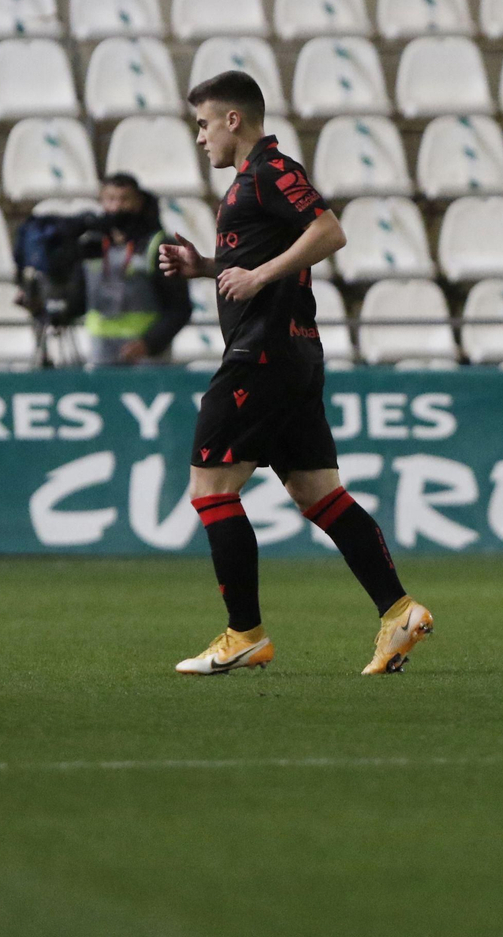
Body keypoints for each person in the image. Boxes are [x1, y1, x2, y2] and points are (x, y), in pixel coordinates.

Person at [158, 70, 433, 676]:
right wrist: (207, 266)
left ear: (234, 119)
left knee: (211, 491)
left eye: (204, 123)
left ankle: (244, 634)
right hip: (292, 355)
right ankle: (399, 612)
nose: (200, 137)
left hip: (262, 356)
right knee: (319, 495)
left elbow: (329, 231)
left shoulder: (270, 171)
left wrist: (257, 277)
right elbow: (259, 259)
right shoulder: (251, 183)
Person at [83, 173, 191, 365]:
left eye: (125, 200)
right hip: (100, 355)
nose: (116, 207)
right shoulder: (91, 243)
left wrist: (149, 343)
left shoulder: (159, 246)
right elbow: (78, 297)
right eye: (110, 199)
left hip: (148, 358)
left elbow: (179, 307)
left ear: (139, 202)